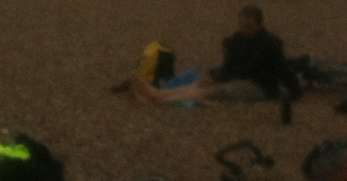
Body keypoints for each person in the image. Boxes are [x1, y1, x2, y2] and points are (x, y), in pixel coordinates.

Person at [127, 6, 299, 107]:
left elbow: (279, 68)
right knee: (201, 82)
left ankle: (158, 98)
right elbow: (231, 64)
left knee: (215, 90)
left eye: (250, 27)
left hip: (259, 85)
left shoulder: (269, 44)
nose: (246, 31)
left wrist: (296, 91)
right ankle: (159, 94)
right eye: (243, 26)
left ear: (261, 25)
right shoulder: (237, 39)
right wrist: (215, 75)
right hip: (237, 77)